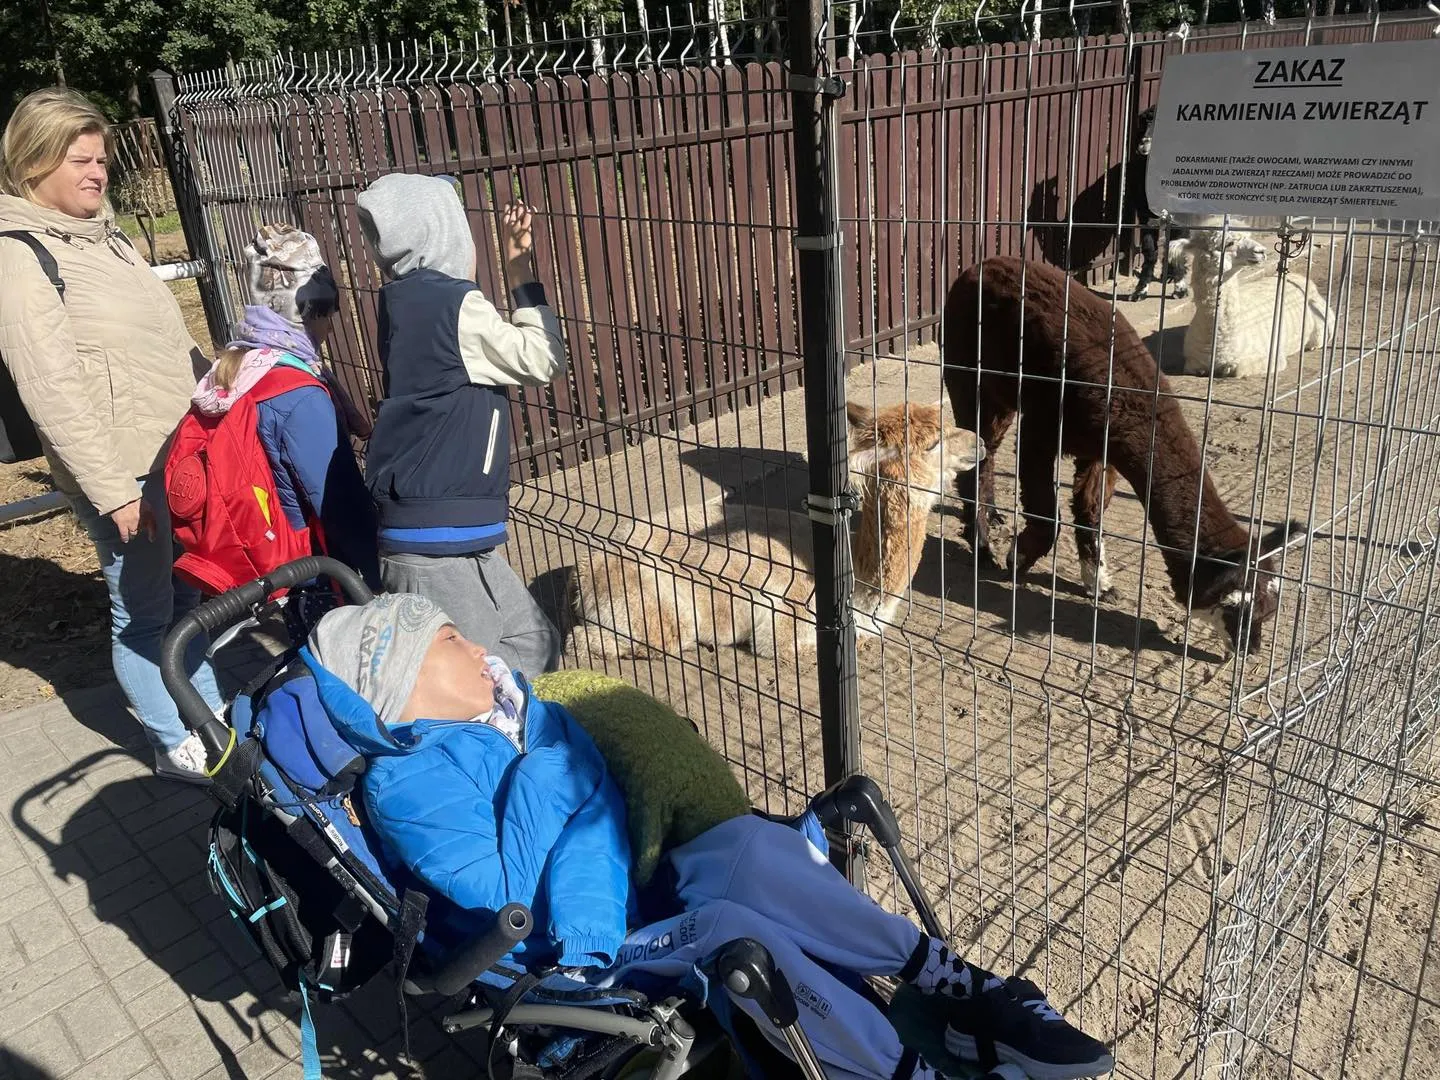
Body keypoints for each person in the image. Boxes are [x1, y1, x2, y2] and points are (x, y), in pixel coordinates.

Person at [302, 594, 1116, 1080]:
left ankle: (962, 989)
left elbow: (592, 799)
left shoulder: (506, 716)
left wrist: (557, 767)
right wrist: (550, 763)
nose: (481, 649)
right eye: (452, 640)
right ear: (399, 679)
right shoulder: (404, 786)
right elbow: (508, 899)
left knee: (752, 846)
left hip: (626, 895)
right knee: (732, 932)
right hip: (572, 955)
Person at [0, 87, 221, 782]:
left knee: (187, 599)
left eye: (101, 160)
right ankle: (171, 741)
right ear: (33, 163)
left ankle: (209, 717)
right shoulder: (20, 255)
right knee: (144, 614)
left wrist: (219, 394)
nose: (97, 173)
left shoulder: (109, 238)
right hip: (123, 470)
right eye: (80, 161)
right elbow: (50, 388)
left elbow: (168, 340)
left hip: (172, 452)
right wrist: (111, 491)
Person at [354, 173, 566, 675]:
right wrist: (519, 269)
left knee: (535, 643)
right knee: (482, 678)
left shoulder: (402, 300)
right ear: (445, 235)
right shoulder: (455, 306)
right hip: (437, 536)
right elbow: (543, 359)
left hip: (435, 523)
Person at [184, 223, 379, 587]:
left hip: (267, 556)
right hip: (314, 567)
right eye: (327, 313)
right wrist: (375, 574)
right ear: (306, 311)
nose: (330, 328)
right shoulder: (299, 396)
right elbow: (339, 505)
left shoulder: (241, 365)